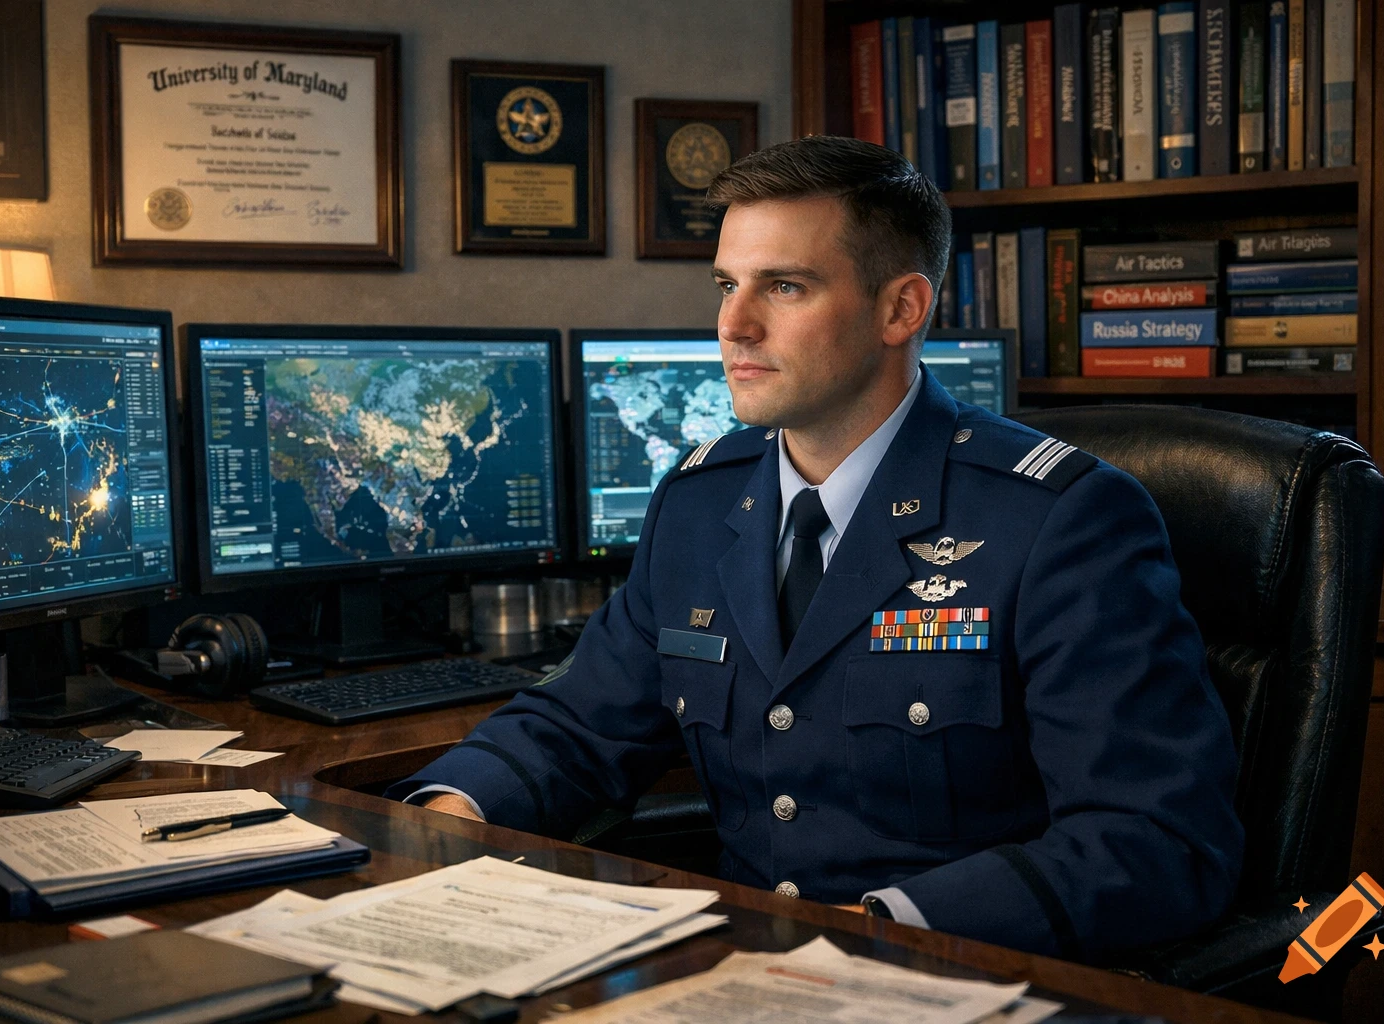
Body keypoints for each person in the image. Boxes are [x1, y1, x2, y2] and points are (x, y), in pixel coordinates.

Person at [386, 135, 1243, 961]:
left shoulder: (1059, 519)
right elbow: (580, 722)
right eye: (726, 284)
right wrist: (450, 809)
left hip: (952, 976)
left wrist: (881, 925)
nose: (734, 325)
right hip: (741, 972)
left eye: (784, 287)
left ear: (900, 308)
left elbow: (1156, 841)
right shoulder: (699, 503)